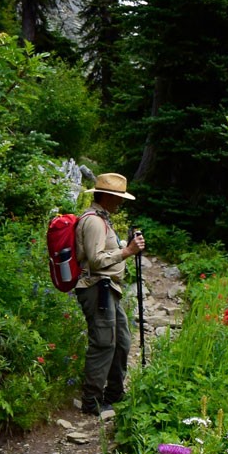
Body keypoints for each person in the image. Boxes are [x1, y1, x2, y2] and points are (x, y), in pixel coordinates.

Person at [72, 172, 145, 415]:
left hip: (108, 288)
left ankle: (114, 395)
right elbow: (95, 260)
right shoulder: (93, 221)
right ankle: (91, 402)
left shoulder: (104, 219)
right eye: (117, 197)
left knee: (122, 341)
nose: (121, 202)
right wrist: (127, 252)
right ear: (105, 196)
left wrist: (126, 246)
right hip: (96, 287)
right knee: (103, 343)